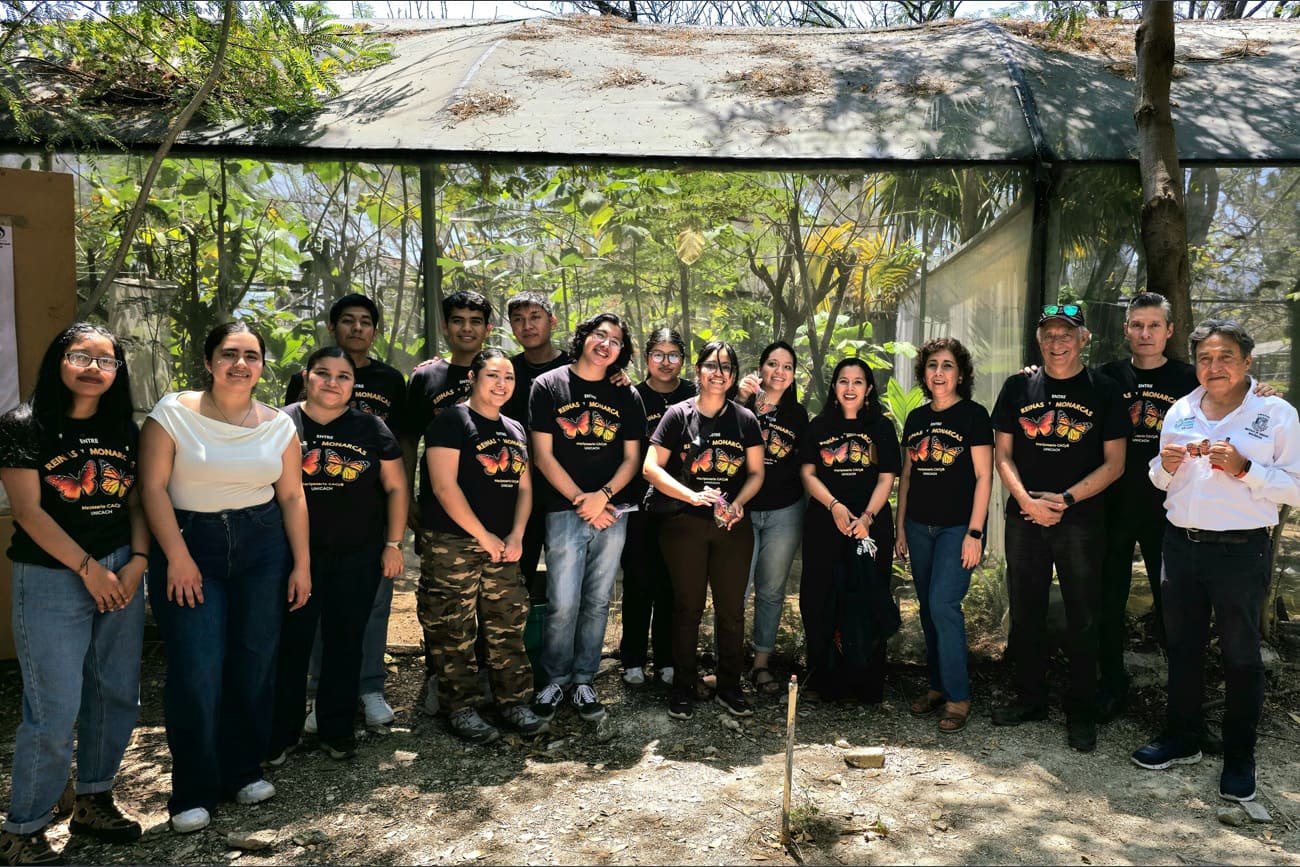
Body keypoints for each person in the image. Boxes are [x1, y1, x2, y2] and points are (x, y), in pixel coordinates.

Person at [138, 322, 310, 834]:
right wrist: (177, 556)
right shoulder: (172, 414)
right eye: (229, 353)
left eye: (251, 355)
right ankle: (193, 788)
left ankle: (242, 769)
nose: (241, 363)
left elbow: (293, 497)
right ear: (209, 360)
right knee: (197, 667)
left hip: (263, 546)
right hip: (190, 543)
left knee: (255, 660)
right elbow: (151, 488)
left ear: (263, 365)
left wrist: (301, 564)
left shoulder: (278, 425)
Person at [1131, 319, 1300, 803]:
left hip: (1240, 551)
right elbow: (1160, 480)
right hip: (1181, 545)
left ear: (1248, 362)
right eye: (1205, 358)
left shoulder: (1276, 413)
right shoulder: (1182, 409)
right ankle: (1182, 737)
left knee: (1240, 657)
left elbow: (1296, 485)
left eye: (1225, 356)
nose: (1214, 366)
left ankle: (1239, 756)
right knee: (1182, 648)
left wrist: (1246, 470)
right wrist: (1162, 466)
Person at [0, 325, 148, 865]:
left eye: (105, 362)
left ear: (117, 372)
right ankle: (24, 827)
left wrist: (137, 562)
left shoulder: (123, 430)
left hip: (120, 571)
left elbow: (136, 504)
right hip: (52, 577)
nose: (93, 368)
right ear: (58, 360)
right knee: (54, 706)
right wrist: (88, 569)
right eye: (80, 356)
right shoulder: (23, 425)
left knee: (115, 695)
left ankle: (93, 799)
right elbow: (30, 513)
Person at [991, 303, 1126, 753]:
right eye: (1048, 333)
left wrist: (1066, 500)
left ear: (1083, 338)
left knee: (1083, 615)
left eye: (1066, 333)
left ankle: (1081, 709)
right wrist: (1027, 500)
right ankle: (1031, 698)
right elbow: (1003, 455)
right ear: (1038, 339)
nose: (1057, 341)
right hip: (1026, 518)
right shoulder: (1018, 387)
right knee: (1026, 610)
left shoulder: (1104, 390)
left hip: (1082, 520)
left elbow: (1116, 464)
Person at [268, 347, 406, 764]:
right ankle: (281, 734)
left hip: (358, 554)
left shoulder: (371, 427)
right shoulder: (279, 422)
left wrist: (393, 544)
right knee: (291, 644)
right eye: (323, 373)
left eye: (343, 376)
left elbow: (397, 487)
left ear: (353, 384)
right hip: (291, 556)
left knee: (346, 642)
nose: (333, 382)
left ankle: (337, 727)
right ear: (307, 376)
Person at [423, 348, 550, 743]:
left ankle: (513, 701)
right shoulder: (451, 421)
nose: (502, 384)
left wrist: (516, 536)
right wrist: (484, 536)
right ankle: (460, 708)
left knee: (507, 624)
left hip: (503, 547)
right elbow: (445, 487)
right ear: (473, 380)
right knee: (453, 628)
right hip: (454, 544)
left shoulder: (514, 429)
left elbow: (525, 488)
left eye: (509, 377)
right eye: (493, 375)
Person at [528, 312, 646, 723]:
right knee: (562, 601)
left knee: (598, 601)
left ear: (621, 352)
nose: (606, 344)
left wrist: (604, 497)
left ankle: (583, 680)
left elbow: (634, 457)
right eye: (600, 335)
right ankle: (554, 679)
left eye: (615, 341)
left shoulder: (626, 395)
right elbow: (542, 455)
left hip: (613, 512)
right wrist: (582, 499)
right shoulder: (548, 385)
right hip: (565, 509)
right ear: (584, 338)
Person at [644, 341, 765, 720]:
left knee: (731, 610)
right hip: (683, 525)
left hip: (731, 527)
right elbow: (650, 468)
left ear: (733, 376)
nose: (719, 372)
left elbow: (757, 472)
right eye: (711, 365)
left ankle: (730, 685)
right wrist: (691, 496)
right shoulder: (677, 415)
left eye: (727, 367)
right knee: (687, 608)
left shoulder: (744, 419)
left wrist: (739, 502)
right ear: (698, 371)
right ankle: (682, 686)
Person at [1093, 292, 1197, 721]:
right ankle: (1111, 686)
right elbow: (1060, 385)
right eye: (1137, 325)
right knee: (1109, 602)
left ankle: (1184, 701)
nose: (1145, 333)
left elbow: (1235, 402)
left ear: (1170, 331)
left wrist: (1258, 391)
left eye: (1154, 325)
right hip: (1113, 508)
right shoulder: (1105, 377)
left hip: (1169, 510)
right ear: (1126, 330)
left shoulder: (1191, 379)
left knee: (1174, 607)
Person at [894, 338, 993, 733]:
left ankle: (958, 695)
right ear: (924, 373)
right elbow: (907, 476)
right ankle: (937, 685)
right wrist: (900, 526)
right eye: (932, 365)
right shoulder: (916, 419)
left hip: (956, 528)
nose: (939, 372)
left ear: (961, 374)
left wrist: (975, 532)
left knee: (943, 604)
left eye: (948, 365)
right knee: (927, 607)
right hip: (919, 526)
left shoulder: (973, 415)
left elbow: (985, 476)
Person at [402, 290, 492, 714]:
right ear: (445, 326)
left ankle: (490, 675)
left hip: (496, 513)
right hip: (440, 512)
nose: (467, 328)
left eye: (476, 320)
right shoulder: (426, 378)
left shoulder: (501, 371)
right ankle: (441, 676)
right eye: (458, 320)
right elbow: (406, 439)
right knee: (441, 603)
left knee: (497, 602)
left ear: (488, 328)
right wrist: (404, 499)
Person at [798, 357, 901, 704]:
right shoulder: (819, 426)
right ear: (834, 387)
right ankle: (822, 681)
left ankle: (866, 683)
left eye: (858, 382)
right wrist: (835, 506)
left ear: (869, 388)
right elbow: (808, 474)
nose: (850, 388)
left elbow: (887, 476)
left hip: (869, 527)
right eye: (844, 381)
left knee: (865, 597)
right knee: (821, 599)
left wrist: (867, 517)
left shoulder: (882, 428)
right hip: (825, 524)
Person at [619, 327, 695, 688]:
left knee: (672, 583)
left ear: (684, 358)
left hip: (682, 506)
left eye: (674, 355)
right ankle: (632, 658)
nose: (666, 363)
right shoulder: (630, 394)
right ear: (645, 357)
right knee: (638, 581)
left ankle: (666, 658)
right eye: (658, 355)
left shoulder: (695, 395)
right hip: (638, 504)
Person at [735, 341, 808, 696]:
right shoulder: (741, 403)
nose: (779, 372)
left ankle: (761, 663)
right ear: (760, 368)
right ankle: (728, 664)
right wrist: (740, 398)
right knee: (735, 588)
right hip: (743, 509)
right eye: (773, 364)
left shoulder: (799, 415)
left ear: (793, 375)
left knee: (771, 591)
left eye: (787, 367)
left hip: (785, 511)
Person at [503, 292, 570, 604]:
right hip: (517, 492)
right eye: (518, 319)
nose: (526, 326)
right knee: (515, 577)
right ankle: (512, 651)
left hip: (567, 492)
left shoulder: (576, 367)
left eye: (535, 317)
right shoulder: (505, 372)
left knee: (567, 583)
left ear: (552, 322)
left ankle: (565, 653)